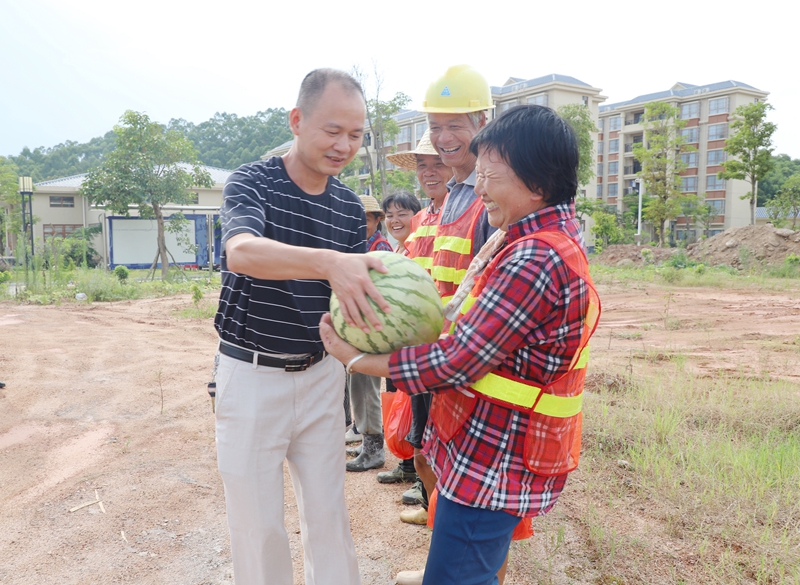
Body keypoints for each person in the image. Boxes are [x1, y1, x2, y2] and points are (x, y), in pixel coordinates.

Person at [319, 104, 601, 585]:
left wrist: (358, 358)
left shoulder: (535, 257)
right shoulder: (528, 237)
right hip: (484, 443)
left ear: (537, 183)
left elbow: (458, 360)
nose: (481, 189)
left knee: (459, 576)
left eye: (490, 176)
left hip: (496, 453)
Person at [213, 68, 391, 585]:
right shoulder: (254, 180)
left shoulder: (347, 207)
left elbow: (351, 298)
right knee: (259, 527)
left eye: (356, 135)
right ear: (297, 120)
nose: (344, 146)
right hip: (251, 374)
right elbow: (241, 252)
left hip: (320, 376)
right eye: (332, 131)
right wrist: (329, 262)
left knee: (329, 518)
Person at [384, 130, 452, 520]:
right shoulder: (424, 219)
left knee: (442, 450)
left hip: (451, 353)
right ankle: (432, 517)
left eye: (437, 162)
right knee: (423, 445)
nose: (429, 172)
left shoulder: (472, 212)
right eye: (422, 165)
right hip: (422, 349)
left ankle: (437, 528)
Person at [345, 195, 391, 472]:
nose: (359, 225)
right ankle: (367, 439)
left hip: (372, 327)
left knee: (367, 387)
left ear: (376, 221)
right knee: (358, 385)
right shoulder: (361, 245)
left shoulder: (379, 249)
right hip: (360, 325)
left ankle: (375, 448)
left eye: (365, 220)